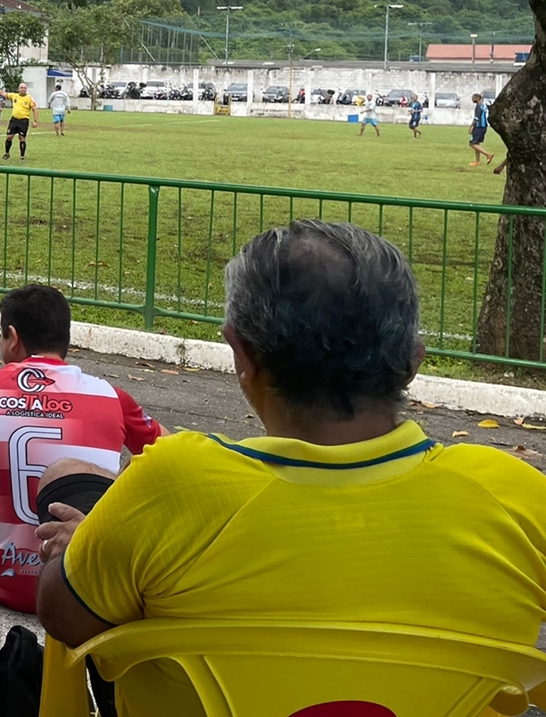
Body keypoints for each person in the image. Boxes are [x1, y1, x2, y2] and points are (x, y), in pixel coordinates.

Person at [35, 221, 546, 715]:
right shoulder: (514, 495)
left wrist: (92, 543)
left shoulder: (174, 485)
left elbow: (64, 619)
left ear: (242, 355)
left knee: (72, 482)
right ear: (413, 361)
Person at [0, 284, 160, 613]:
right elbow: (166, 451)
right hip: (75, 585)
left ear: (13, 337)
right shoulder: (111, 397)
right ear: (65, 337)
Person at [0, 82, 38, 161]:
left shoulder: (30, 98)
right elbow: (3, 94)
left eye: (24, 88)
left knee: (22, 138)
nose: (23, 89)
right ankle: (7, 153)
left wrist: (35, 121)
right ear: (18, 89)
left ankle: (22, 156)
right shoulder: (14, 96)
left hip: (24, 121)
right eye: (21, 87)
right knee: (9, 137)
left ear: (26, 89)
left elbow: (35, 109)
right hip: (14, 120)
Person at [469, 92, 495, 166]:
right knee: (477, 143)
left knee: (472, 143)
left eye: (473, 98)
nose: (472, 99)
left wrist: (471, 126)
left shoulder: (479, 106)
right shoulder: (484, 106)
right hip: (484, 126)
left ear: (477, 98)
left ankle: (488, 155)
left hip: (478, 127)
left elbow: (476, 118)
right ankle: (477, 161)